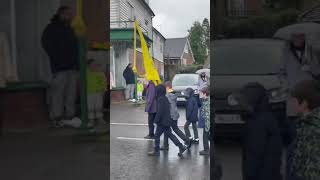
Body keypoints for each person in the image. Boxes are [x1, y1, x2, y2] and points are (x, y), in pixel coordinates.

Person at [282, 33, 320, 179]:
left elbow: (317, 72)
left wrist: (309, 67)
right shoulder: (285, 54)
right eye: (295, 38)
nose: (297, 40)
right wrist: (287, 86)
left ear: (304, 38)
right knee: (294, 142)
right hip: (293, 98)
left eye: (300, 37)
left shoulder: (311, 52)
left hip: (308, 97)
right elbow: (280, 73)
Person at [230, 82, 282, 180]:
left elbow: (254, 155)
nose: (241, 105)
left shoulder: (258, 123)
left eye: (244, 102)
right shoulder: (266, 117)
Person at [41, 6, 79, 128]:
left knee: (71, 93)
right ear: (60, 14)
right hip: (60, 67)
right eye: (67, 14)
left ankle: (69, 116)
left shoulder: (70, 29)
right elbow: (46, 44)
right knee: (58, 93)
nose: (69, 16)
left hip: (72, 67)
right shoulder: (51, 28)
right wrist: (56, 58)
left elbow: (75, 46)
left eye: (70, 14)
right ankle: (56, 117)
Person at [290, 80, 320, 180]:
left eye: (294, 100)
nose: (292, 104)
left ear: (304, 103)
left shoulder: (313, 128)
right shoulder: (305, 122)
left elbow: (314, 166)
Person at [148, 84, 188, 157]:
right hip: (167, 120)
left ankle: (156, 151)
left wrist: (155, 121)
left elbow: (160, 111)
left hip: (162, 122)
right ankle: (181, 147)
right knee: (170, 135)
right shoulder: (165, 98)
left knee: (157, 136)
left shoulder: (160, 99)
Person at [159, 81, 191, 151]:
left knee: (167, 130)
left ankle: (167, 145)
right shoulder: (173, 94)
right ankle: (186, 140)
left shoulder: (167, 95)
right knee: (174, 129)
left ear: (167, 87)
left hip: (170, 115)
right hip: (175, 114)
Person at [86, 59, 107, 127]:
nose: (94, 66)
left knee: (98, 106)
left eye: (95, 65)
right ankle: (91, 119)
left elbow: (104, 82)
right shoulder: (86, 73)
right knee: (90, 106)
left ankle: (100, 118)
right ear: (89, 66)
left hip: (98, 92)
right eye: (92, 65)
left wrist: (103, 91)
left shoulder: (100, 73)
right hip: (89, 92)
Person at [199, 86, 210, 156]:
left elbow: (208, 114)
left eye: (202, 93)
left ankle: (206, 150)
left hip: (207, 123)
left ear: (205, 93)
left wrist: (207, 125)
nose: (201, 95)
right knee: (205, 136)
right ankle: (206, 149)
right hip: (206, 122)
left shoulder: (207, 102)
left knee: (205, 136)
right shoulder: (205, 100)